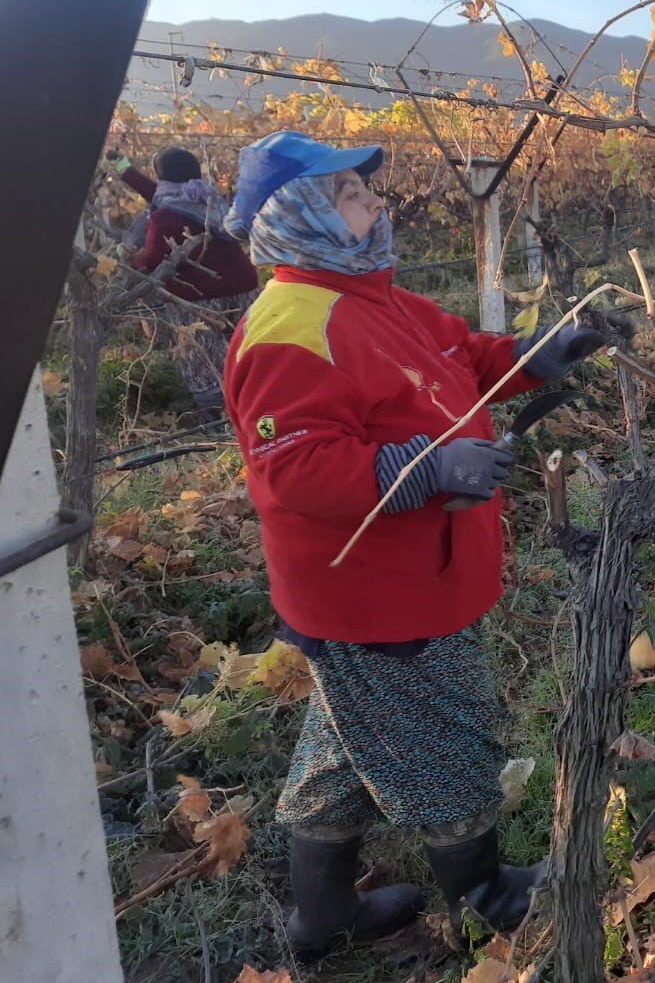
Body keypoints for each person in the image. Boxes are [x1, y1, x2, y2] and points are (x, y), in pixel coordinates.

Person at [221, 130, 605, 957]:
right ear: (306, 215)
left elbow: (461, 355)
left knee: (342, 751)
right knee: (447, 739)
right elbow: (293, 468)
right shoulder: (290, 323)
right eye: (356, 197)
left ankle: (321, 921)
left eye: (368, 191)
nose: (379, 204)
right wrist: (425, 467)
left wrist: (536, 355)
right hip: (373, 595)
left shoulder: (371, 295)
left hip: (403, 580)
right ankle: (491, 896)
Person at [109, 146, 260, 415]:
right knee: (253, 346)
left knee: (201, 358)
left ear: (164, 178)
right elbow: (157, 194)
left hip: (198, 298)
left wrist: (129, 255)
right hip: (243, 286)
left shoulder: (165, 216)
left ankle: (214, 415)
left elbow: (152, 261)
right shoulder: (207, 198)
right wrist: (125, 171)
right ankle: (264, 398)